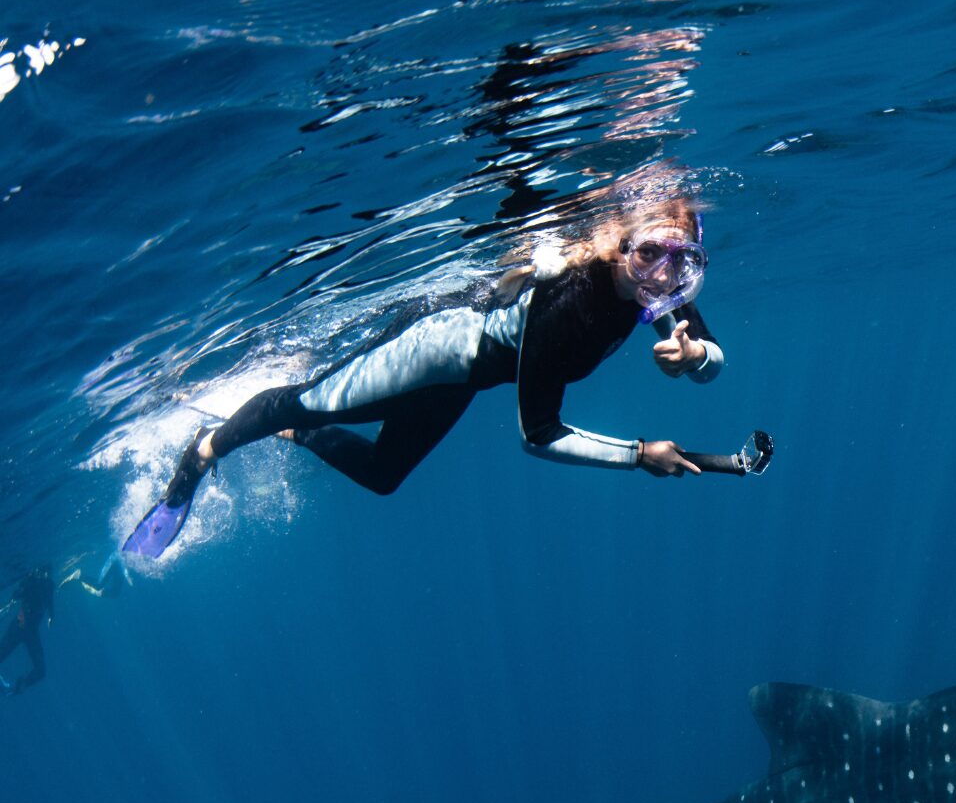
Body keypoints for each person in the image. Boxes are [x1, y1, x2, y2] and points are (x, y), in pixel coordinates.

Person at [124, 196, 772, 558]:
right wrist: (637, 455)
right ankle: (199, 457)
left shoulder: (659, 289)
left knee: (383, 476)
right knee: (308, 401)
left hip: (461, 378)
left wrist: (696, 362)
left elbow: (711, 354)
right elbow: (537, 434)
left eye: (681, 260)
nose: (662, 276)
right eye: (649, 254)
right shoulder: (570, 304)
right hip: (430, 348)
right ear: (616, 247)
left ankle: (291, 432)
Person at [0, 565, 54, 695]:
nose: (44, 575)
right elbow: (17, 595)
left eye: (46, 573)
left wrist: (51, 616)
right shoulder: (32, 581)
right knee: (41, 670)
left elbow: (50, 604)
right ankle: (13, 687)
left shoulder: (48, 585)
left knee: (41, 670)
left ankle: (18, 687)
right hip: (19, 628)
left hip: (29, 631)